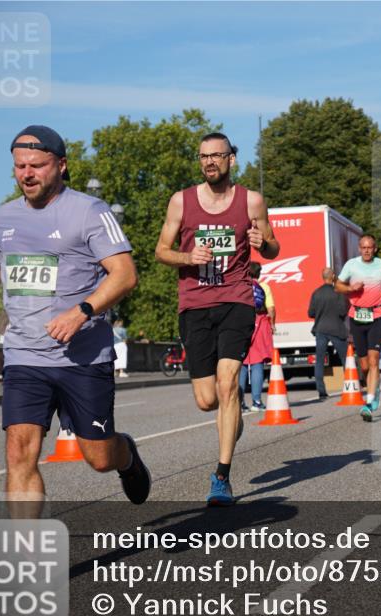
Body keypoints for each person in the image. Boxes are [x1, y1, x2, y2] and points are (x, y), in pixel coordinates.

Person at [0, 125, 150, 508]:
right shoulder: (4, 216)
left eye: (37, 165)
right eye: (19, 166)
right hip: (25, 356)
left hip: (83, 357)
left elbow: (125, 274)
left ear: (61, 165)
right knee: (18, 453)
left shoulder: (89, 210)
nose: (27, 173)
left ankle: (126, 456)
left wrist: (81, 312)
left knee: (99, 457)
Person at [154, 131, 280, 506]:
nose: (210, 162)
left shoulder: (251, 201)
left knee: (227, 385)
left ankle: (221, 477)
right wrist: (187, 257)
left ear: (231, 159)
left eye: (217, 156)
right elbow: (161, 251)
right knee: (207, 399)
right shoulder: (182, 201)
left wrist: (263, 244)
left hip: (236, 300)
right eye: (203, 156)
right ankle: (232, 412)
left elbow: (272, 247)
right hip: (194, 305)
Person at [335, 234, 381, 422]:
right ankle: (373, 385)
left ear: (375, 248)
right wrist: (351, 289)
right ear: (359, 249)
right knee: (364, 365)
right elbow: (337, 286)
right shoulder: (351, 265)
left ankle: (369, 403)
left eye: (370, 247)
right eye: (363, 247)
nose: (367, 250)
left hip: (377, 315)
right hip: (357, 316)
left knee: (373, 360)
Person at [308, 267, 349, 400]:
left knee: (319, 360)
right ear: (332, 277)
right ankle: (350, 385)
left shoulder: (316, 293)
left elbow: (311, 313)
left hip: (320, 329)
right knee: (345, 359)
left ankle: (321, 391)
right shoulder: (339, 292)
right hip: (336, 329)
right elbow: (343, 311)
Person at [240, 262, 275, 411]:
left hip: (241, 325)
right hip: (259, 325)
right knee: (257, 363)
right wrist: (272, 324)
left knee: (241, 364)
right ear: (259, 274)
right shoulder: (264, 287)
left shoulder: (241, 287)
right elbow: (271, 309)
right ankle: (256, 401)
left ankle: (239, 402)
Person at [0, 308, 9, 382]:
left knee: (0, 360)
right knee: (8, 359)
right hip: (8, 343)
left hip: (1, 342)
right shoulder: (9, 322)